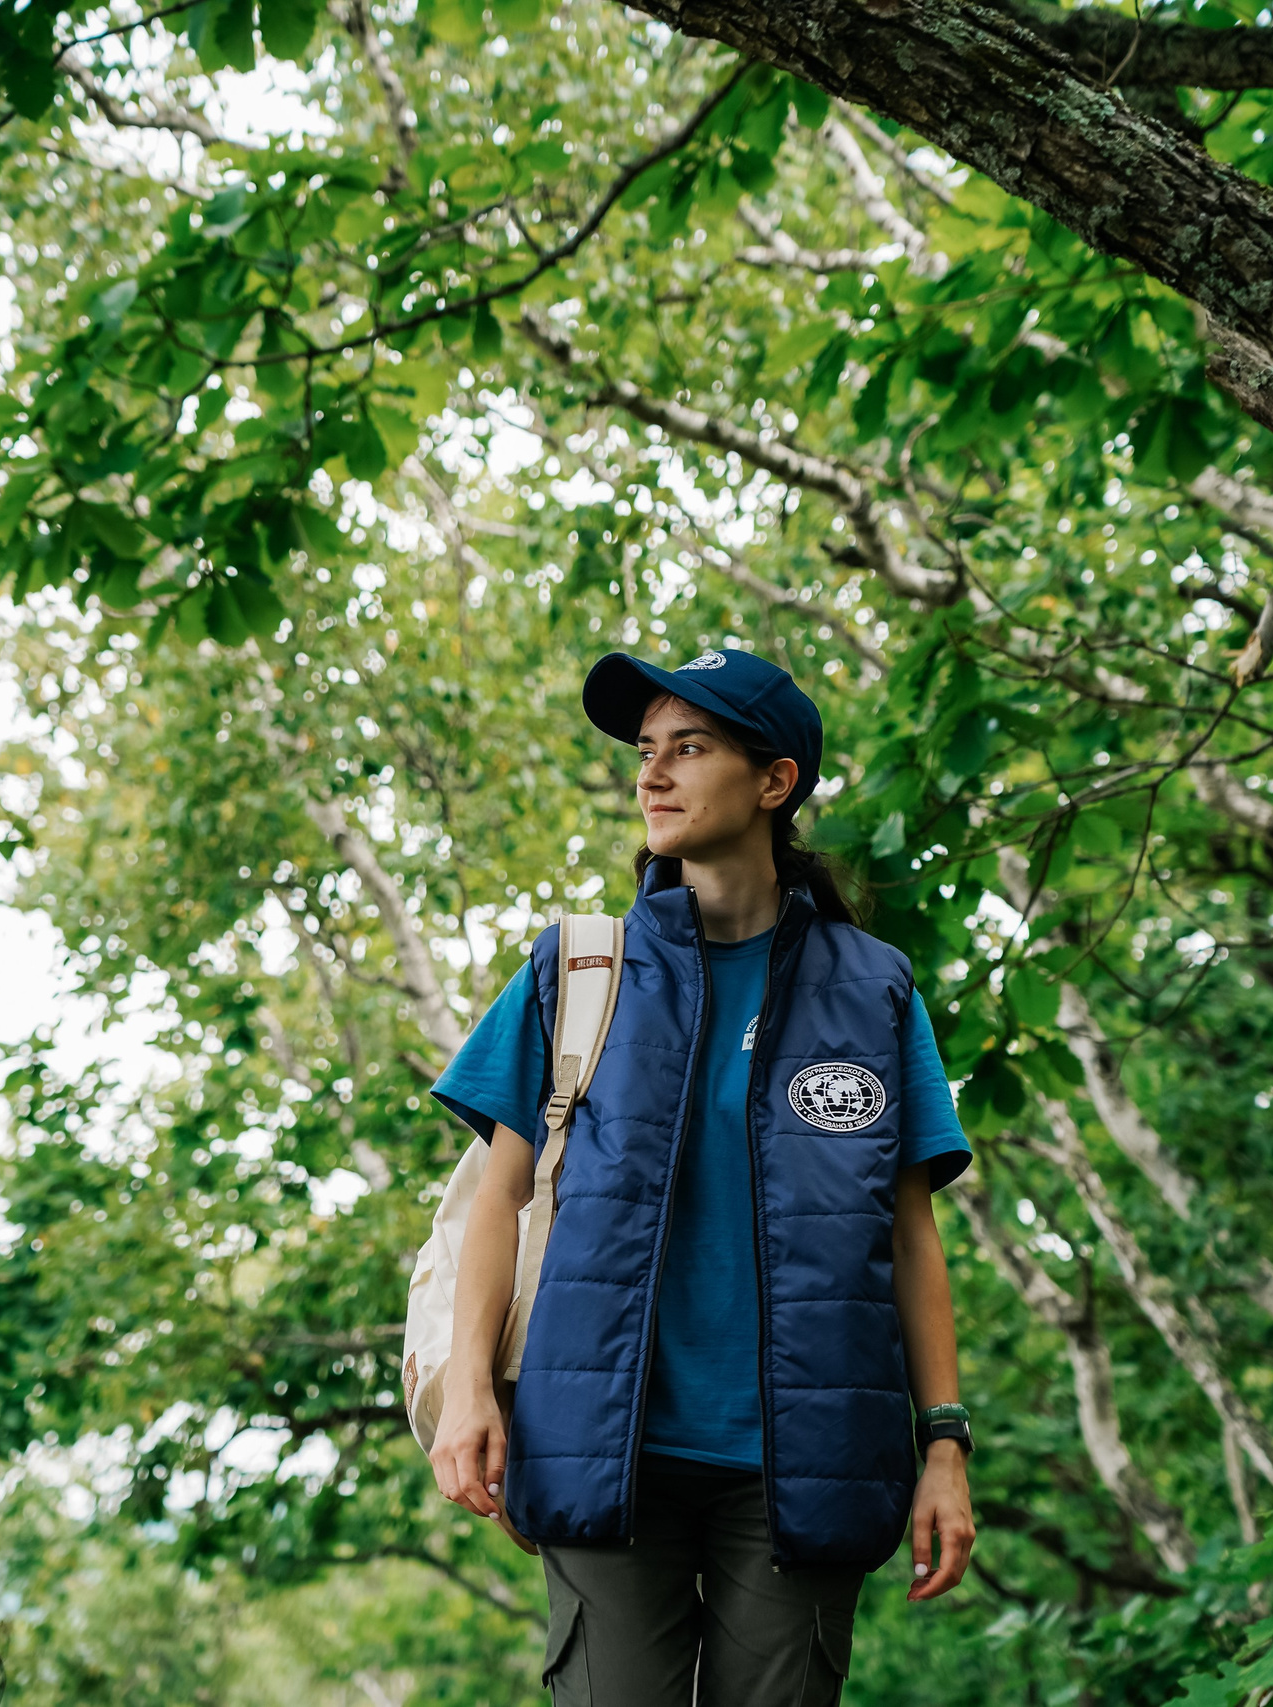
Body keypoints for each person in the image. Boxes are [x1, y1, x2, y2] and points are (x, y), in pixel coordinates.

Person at [428, 646, 978, 1706]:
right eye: (646, 749)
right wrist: (468, 1393)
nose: (653, 773)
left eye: (690, 747)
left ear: (775, 781)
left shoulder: (873, 990)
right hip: (600, 1447)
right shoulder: (576, 968)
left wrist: (945, 1445)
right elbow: (500, 1198)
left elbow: (910, 1236)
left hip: (806, 1465)